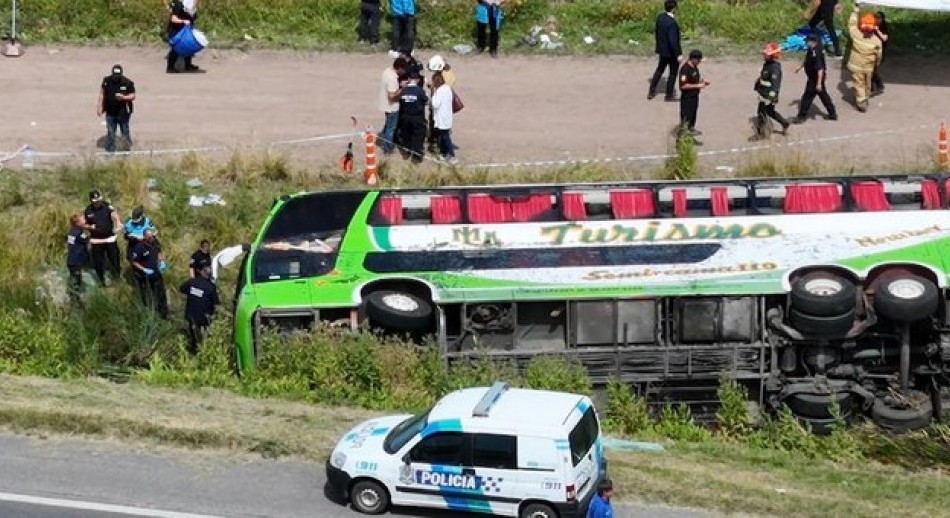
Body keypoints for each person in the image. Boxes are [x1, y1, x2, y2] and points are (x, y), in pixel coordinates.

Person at [793, 33, 838, 123]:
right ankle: (832, 114)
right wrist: (800, 67)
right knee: (823, 95)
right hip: (814, 77)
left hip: (815, 78)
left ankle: (801, 116)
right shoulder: (812, 49)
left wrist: (818, 83)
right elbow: (807, 59)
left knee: (807, 96)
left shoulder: (816, 53)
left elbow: (820, 69)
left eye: (808, 41)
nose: (807, 43)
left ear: (814, 42)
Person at [846, 5, 883, 113]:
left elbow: (852, 24)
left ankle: (862, 101)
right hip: (868, 67)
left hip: (856, 66)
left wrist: (856, 10)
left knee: (859, 84)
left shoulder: (856, 35)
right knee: (867, 84)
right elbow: (879, 56)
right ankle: (864, 99)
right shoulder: (877, 41)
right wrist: (877, 64)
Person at [83, 190, 123, 286]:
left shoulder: (107, 206)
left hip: (110, 238)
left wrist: (118, 223)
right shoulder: (88, 210)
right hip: (96, 241)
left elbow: (114, 215)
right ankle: (101, 281)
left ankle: (117, 278)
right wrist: (90, 227)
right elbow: (84, 224)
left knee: (115, 259)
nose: (97, 203)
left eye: (98, 200)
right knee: (98, 263)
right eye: (95, 201)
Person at [179, 263, 220, 353]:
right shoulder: (211, 287)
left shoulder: (192, 282)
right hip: (205, 317)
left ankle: (194, 350)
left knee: (194, 336)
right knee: (204, 338)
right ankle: (203, 351)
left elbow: (182, 289)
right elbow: (216, 304)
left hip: (191, 315)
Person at [753, 42, 790, 138]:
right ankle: (784, 123)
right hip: (763, 93)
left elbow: (775, 84)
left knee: (762, 112)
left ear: (772, 55)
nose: (764, 55)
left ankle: (761, 133)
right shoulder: (767, 64)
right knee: (768, 112)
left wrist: (771, 97)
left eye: (766, 54)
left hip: (769, 95)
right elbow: (764, 76)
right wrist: (758, 83)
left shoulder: (775, 68)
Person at [130, 228, 169, 319]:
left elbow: (159, 252)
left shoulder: (155, 243)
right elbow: (134, 262)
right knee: (148, 296)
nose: (152, 239)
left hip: (156, 274)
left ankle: (163, 314)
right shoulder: (139, 247)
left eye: (152, 237)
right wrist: (144, 269)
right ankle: (150, 315)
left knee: (161, 294)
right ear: (145, 237)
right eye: (150, 237)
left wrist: (162, 261)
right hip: (145, 277)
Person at [97, 64, 136, 153]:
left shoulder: (127, 83)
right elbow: (102, 94)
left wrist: (124, 97)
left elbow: (133, 96)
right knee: (111, 132)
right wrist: (99, 106)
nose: (116, 78)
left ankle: (126, 149)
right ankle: (110, 150)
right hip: (110, 112)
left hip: (123, 112)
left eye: (118, 76)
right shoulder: (107, 81)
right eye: (115, 75)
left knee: (125, 131)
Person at [648, 0, 682, 101]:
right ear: (674, 8)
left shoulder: (660, 18)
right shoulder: (672, 23)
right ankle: (669, 94)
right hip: (671, 53)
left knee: (659, 70)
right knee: (672, 73)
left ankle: (651, 91)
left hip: (662, 51)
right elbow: (673, 41)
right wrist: (678, 54)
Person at [678, 50, 710, 142]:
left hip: (694, 96)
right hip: (687, 98)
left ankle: (691, 131)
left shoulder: (695, 67)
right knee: (686, 118)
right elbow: (683, 86)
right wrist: (698, 85)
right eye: (699, 60)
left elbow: (695, 77)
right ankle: (681, 141)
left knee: (693, 116)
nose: (700, 62)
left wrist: (702, 81)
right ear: (693, 59)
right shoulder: (685, 69)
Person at [378, 57, 408, 154]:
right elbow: (392, 96)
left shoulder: (386, 71)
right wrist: (402, 89)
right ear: (399, 68)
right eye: (403, 70)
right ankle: (388, 149)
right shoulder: (392, 78)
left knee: (388, 125)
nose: (404, 72)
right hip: (392, 107)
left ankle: (382, 139)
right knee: (391, 128)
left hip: (385, 105)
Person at [399, 71, 428, 163]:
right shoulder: (420, 91)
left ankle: (406, 152)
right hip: (417, 117)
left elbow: (401, 102)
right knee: (418, 136)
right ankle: (416, 156)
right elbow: (426, 101)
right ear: (418, 80)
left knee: (406, 135)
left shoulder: (404, 90)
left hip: (405, 116)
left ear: (408, 79)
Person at [430, 72, 457, 164]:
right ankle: (445, 153)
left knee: (445, 137)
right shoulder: (447, 89)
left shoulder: (440, 91)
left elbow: (435, 104)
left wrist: (433, 92)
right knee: (442, 136)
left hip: (442, 118)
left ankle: (452, 155)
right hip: (447, 116)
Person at [166, 0, 199, 73]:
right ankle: (170, 68)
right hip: (175, 31)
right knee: (175, 49)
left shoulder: (188, 5)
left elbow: (193, 16)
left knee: (188, 46)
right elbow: (173, 19)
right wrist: (183, 21)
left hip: (185, 30)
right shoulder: (177, 4)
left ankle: (188, 65)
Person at [66, 213, 90, 304]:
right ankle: (75, 300)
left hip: (71, 260)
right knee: (77, 280)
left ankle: (72, 295)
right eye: (83, 219)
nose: (85, 220)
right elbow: (87, 240)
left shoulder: (72, 231)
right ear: (77, 223)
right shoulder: (79, 233)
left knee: (73, 278)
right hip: (76, 261)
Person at [871, 11, 889, 96]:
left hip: (880, 53)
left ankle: (879, 85)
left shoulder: (884, 27)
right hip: (871, 51)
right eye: (876, 18)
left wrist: (877, 30)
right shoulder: (872, 26)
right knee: (870, 69)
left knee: (872, 69)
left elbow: (885, 38)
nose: (877, 20)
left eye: (879, 18)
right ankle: (872, 87)